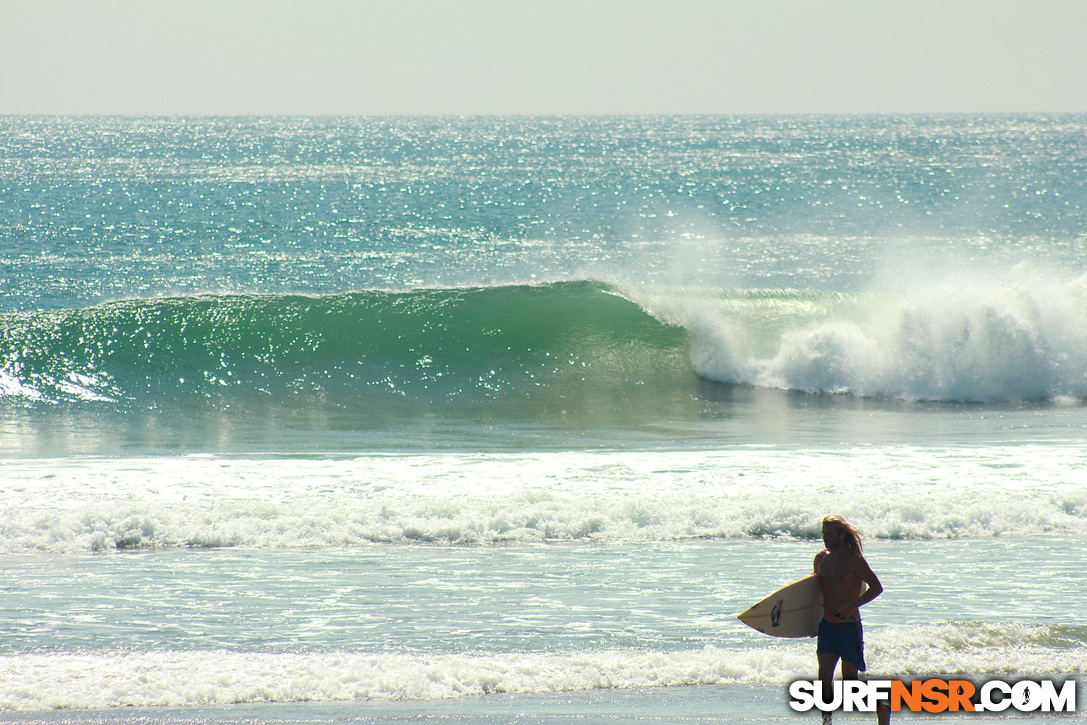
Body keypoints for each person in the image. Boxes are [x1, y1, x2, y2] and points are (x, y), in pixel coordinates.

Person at [814, 515, 888, 725]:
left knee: (850, 683)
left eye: (829, 534)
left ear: (841, 534)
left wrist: (852, 605)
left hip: (849, 628)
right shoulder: (821, 559)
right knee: (824, 678)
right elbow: (814, 593)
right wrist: (809, 622)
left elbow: (877, 587)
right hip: (827, 627)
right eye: (823, 534)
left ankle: (882, 707)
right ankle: (826, 722)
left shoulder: (854, 560)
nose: (825, 538)